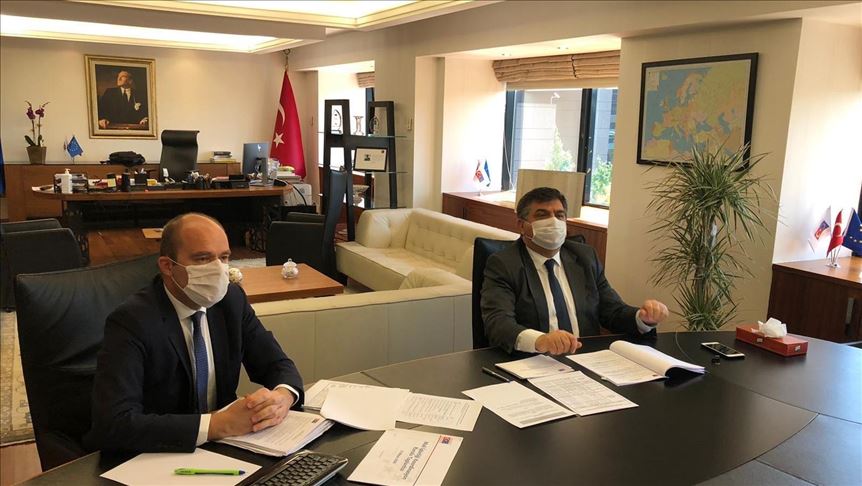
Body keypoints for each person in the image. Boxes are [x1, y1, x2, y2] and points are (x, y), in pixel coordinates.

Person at [85, 213, 303, 453]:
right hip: (158, 453)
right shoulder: (131, 321)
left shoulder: (231, 301)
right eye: (203, 258)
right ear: (168, 266)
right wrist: (216, 425)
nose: (218, 269)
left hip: (226, 447)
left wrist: (283, 397)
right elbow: (114, 424)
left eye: (224, 257)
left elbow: (277, 364)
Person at [481, 187, 669, 355]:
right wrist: (540, 341)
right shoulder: (504, 264)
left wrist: (643, 319)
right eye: (542, 215)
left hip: (587, 360)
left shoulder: (585, 257)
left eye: (560, 215)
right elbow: (498, 323)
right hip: (534, 361)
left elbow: (612, 310)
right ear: (522, 225)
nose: (553, 221)